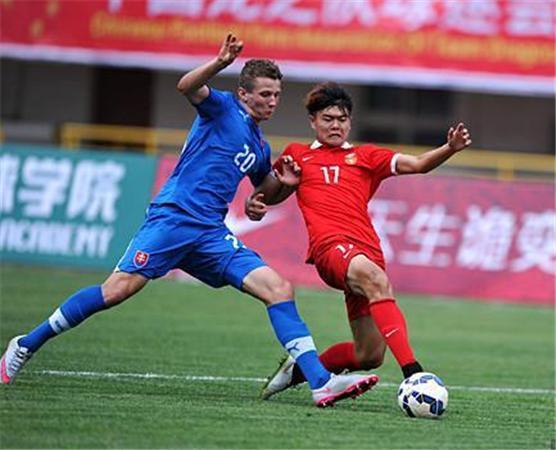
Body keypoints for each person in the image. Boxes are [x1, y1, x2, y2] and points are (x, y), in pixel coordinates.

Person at [0, 37, 379, 407]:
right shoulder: (223, 108)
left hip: (210, 233)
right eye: (265, 94)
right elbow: (186, 86)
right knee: (116, 291)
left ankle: (320, 383)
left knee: (278, 288)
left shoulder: (259, 145)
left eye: (277, 95)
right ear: (244, 94)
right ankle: (26, 344)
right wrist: (220, 63)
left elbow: (263, 188)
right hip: (173, 219)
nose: (272, 101)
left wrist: (284, 185)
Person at [245, 82, 472, 400]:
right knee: (375, 279)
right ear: (313, 121)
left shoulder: (366, 156)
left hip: (366, 252)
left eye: (342, 119)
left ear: (350, 122)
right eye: (327, 119)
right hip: (329, 249)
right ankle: (415, 374)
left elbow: (418, 164)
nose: (335, 125)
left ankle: (298, 370)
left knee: (369, 354)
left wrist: (449, 148)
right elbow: (266, 196)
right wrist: (267, 196)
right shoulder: (297, 154)